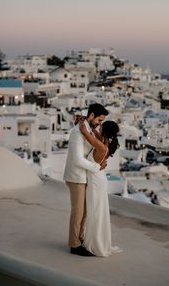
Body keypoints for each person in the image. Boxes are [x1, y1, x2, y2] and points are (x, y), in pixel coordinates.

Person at [63, 103, 109, 256]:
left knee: (84, 212)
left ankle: (79, 240)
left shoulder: (88, 128)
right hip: (76, 176)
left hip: (83, 176)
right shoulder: (77, 133)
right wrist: (97, 168)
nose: (99, 123)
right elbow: (77, 160)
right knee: (78, 212)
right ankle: (74, 245)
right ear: (91, 116)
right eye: (99, 120)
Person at [79, 119, 123, 257]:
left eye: (101, 126)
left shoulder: (101, 145)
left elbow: (85, 132)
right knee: (97, 211)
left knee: (95, 212)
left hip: (96, 181)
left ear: (105, 130)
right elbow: (93, 133)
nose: (98, 127)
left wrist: (82, 122)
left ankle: (94, 244)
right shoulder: (104, 142)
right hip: (99, 178)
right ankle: (94, 240)